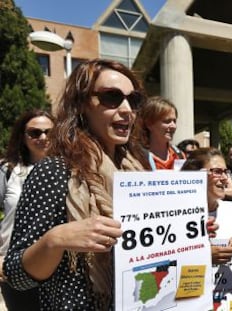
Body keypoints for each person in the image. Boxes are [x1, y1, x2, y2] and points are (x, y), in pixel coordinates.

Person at [3, 59, 151, 310]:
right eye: (112, 97)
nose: (127, 109)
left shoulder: (138, 171)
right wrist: (56, 239)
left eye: (133, 100)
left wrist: (190, 235)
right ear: (82, 104)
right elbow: (16, 274)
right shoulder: (54, 171)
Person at [181, 148, 232, 310]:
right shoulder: (177, 216)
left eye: (225, 172)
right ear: (195, 175)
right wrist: (204, 257)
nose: (225, 179)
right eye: (217, 172)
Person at [0, 109, 54, 311]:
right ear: (23, 137)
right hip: (13, 266)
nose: (43, 137)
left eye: (49, 132)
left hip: (57, 266)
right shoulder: (8, 170)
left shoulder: (71, 170)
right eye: (34, 133)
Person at [139, 96, 185, 170]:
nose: (173, 126)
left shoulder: (179, 155)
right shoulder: (138, 157)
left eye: (174, 121)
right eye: (167, 121)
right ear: (149, 124)